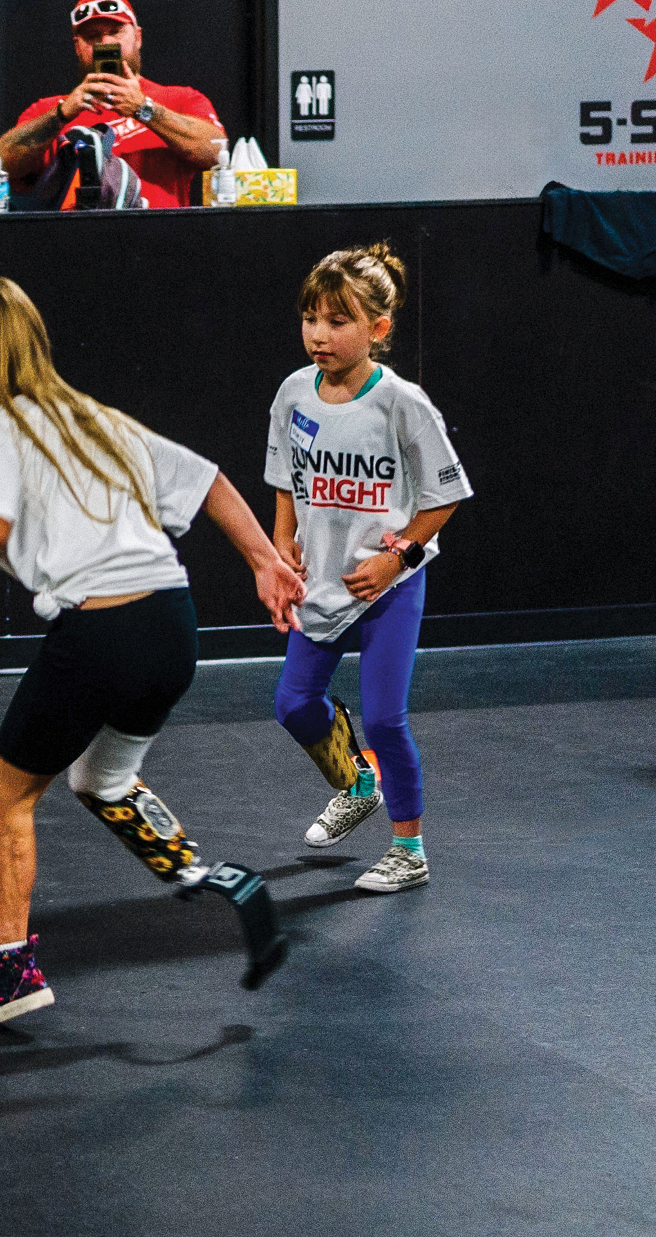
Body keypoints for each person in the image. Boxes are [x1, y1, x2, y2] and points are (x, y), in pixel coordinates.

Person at [0, 276, 303, 1029]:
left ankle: (6, 969)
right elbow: (210, 481)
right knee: (102, 777)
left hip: (103, 630)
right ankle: (203, 871)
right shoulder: (96, 418)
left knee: (7, 789)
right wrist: (262, 560)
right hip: (172, 624)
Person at [266, 244, 471, 893]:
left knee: (386, 717)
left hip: (389, 586)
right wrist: (280, 544)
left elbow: (446, 495)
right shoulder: (294, 392)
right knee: (294, 704)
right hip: (322, 579)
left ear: (377, 330)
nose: (318, 334)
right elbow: (283, 473)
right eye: (310, 318)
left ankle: (408, 849)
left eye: (337, 320)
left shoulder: (402, 404)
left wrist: (396, 556)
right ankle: (359, 782)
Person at [0, 0, 223, 210]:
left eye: (115, 31)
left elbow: (216, 153)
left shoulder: (179, 99)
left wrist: (145, 109)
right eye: (92, 36)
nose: (104, 42)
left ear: (138, 37)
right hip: (77, 239)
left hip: (158, 236)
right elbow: (4, 165)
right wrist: (62, 114)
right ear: (77, 47)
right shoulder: (49, 108)